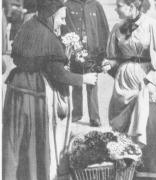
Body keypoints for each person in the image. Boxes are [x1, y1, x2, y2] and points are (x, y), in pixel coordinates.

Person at [2, 0, 97, 180]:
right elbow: (58, 74)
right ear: (50, 15)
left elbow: (18, 56)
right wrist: (84, 79)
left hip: (16, 92)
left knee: (17, 142)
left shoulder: (28, 25)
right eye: (61, 18)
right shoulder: (48, 38)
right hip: (34, 96)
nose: (63, 22)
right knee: (35, 142)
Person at [102, 0, 156, 178]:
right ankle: (126, 174)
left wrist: (151, 83)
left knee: (149, 127)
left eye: (119, 5)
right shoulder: (117, 28)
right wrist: (109, 63)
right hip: (124, 85)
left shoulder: (153, 26)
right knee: (123, 132)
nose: (116, 8)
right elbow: (114, 57)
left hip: (146, 83)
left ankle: (149, 175)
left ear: (132, 6)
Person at [64, 0, 109, 126]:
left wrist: (104, 52)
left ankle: (94, 117)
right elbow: (64, 27)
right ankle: (77, 113)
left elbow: (104, 29)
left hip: (93, 52)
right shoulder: (68, 5)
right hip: (75, 51)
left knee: (92, 83)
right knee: (77, 82)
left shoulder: (96, 5)